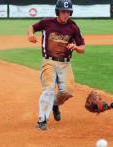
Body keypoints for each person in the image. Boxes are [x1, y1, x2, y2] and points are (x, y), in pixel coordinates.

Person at [28, 0, 85, 130]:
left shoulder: (73, 27)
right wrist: (31, 34)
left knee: (67, 92)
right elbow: (32, 27)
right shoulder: (47, 22)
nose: (66, 14)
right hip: (49, 62)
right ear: (57, 12)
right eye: (63, 11)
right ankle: (42, 121)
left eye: (68, 12)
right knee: (48, 89)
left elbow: (83, 48)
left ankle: (54, 104)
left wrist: (76, 47)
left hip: (65, 64)